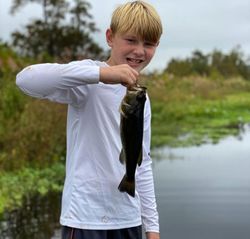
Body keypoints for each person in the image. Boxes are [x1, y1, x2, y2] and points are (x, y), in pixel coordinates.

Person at [16, 1, 163, 239]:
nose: (139, 51)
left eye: (148, 44)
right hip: (85, 218)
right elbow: (26, 80)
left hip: (129, 219)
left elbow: (142, 164)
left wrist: (153, 228)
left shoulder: (140, 99)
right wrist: (101, 74)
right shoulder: (87, 80)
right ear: (110, 37)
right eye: (131, 40)